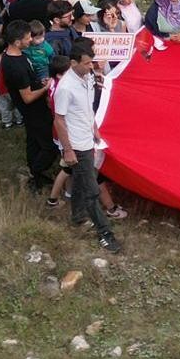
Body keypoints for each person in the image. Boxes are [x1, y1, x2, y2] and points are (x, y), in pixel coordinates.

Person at [54, 40, 121, 253]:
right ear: (73, 63)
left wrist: (95, 130)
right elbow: (59, 120)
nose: (90, 66)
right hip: (76, 144)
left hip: (87, 139)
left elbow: (87, 108)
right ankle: (105, 233)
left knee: (82, 181)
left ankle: (78, 216)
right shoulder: (65, 87)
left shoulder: (88, 77)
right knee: (92, 190)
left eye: (91, 62)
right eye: (86, 63)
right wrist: (68, 149)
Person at [2, 20, 57, 190]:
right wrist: (46, 88)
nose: (30, 41)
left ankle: (36, 175)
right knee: (50, 146)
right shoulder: (16, 66)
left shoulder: (15, 55)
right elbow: (27, 97)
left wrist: (39, 82)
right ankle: (36, 170)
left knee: (33, 141)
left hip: (32, 109)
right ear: (17, 42)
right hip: (34, 110)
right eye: (27, 38)